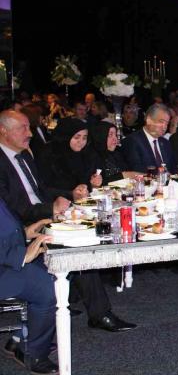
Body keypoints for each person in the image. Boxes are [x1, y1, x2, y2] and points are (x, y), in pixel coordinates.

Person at [0, 110, 136, 333]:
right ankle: (99, 313)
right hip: (19, 228)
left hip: (40, 214)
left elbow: (41, 190)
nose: (30, 133)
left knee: (87, 228)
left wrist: (68, 196)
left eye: (29, 127)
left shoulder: (23, 156)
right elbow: (9, 208)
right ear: (3, 131)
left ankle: (78, 300)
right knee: (78, 245)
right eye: (22, 128)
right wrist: (50, 210)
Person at [0, 199, 58, 374]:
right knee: (49, 288)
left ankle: (20, 339)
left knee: (58, 266)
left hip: (6, 262)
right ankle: (35, 355)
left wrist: (25, 234)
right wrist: (21, 256)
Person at [35, 118, 102, 194]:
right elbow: (44, 188)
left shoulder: (86, 154)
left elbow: (87, 187)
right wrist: (71, 194)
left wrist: (93, 185)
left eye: (84, 138)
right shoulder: (49, 154)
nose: (81, 142)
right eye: (76, 137)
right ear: (65, 136)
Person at [122, 104, 177, 173]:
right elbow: (136, 171)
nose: (164, 127)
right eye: (161, 121)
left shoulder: (165, 143)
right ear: (149, 120)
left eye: (167, 123)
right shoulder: (132, 141)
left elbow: (173, 170)